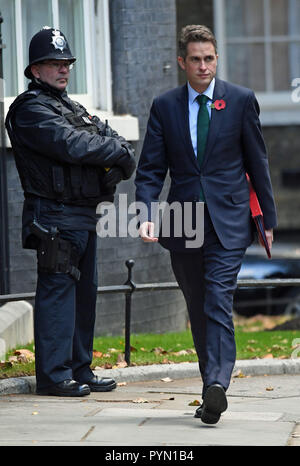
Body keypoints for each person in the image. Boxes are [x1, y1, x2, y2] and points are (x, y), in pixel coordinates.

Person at [135, 25, 277, 424]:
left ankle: (218, 382)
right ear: (182, 62)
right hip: (183, 222)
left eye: (209, 58)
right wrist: (146, 215)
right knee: (198, 307)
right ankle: (209, 389)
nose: (203, 66)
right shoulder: (165, 106)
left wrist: (267, 218)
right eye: (195, 59)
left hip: (228, 221)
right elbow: (149, 171)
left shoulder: (241, 101)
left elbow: (258, 162)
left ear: (217, 59)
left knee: (217, 298)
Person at [5, 27, 136, 397]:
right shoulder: (30, 109)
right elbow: (72, 145)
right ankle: (54, 376)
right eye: (53, 63)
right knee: (58, 293)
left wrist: (116, 153)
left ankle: (81, 368)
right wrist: (113, 154)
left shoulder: (71, 107)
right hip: (54, 216)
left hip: (83, 213)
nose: (63, 70)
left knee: (85, 295)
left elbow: (117, 142)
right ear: (34, 70)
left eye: (66, 63)